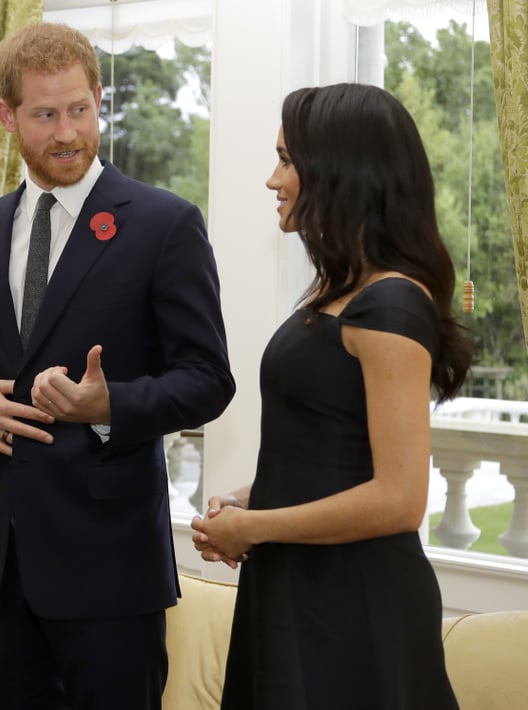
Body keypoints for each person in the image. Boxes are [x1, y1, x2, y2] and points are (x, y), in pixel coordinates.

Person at [0, 22, 235, 710]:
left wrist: (107, 405)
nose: (67, 133)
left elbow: (209, 378)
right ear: (7, 117)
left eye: (80, 109)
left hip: (111, 569)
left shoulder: (164, 224)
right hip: (3, 568)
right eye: (45, 115)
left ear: (99, 98)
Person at [191, 83, 472, 709]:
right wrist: (244, 504)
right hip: (298, 586)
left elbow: (399, 499)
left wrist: (255, 527)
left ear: (340, 171)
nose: (272, 179)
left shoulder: (392, 301)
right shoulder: (340, 294)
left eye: (287, 160)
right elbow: (332, 453)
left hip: (351, 605)